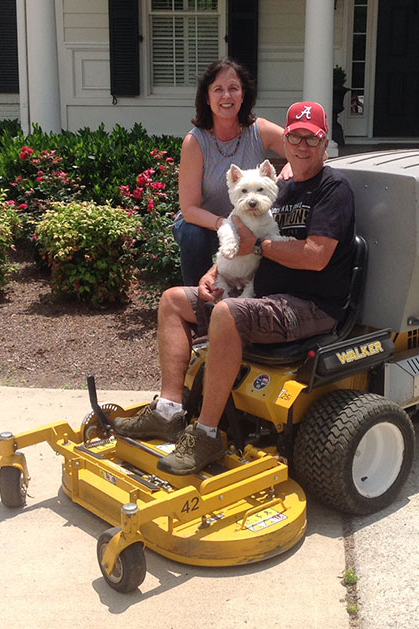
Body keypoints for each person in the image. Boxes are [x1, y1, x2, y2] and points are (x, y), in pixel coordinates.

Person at [115, 101, 356, 476]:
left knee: (229, 313)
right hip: (260, 293)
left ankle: (207, 435)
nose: (303, 146)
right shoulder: (281, 186)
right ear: (286, 141)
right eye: (296, 137)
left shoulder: (332, 190)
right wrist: (213, 272)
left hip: (309, 306)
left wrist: (258, 247)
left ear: (326, 144)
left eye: (313, 138)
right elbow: (242, 233)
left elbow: (315, 256)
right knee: (174, 300)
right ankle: (168, 411)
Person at [173, 59, 288, 286]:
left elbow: (304, 150)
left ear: (243, 95)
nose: (227, 96)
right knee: (191, 236)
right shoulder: (195, 141)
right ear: (207, 98)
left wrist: (290, 165)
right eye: (218, 90)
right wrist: (227, 226)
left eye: (233, 88)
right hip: (206, 223)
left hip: (253, 220)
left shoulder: (259, 130)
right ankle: (198, 304)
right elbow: (189, 209)